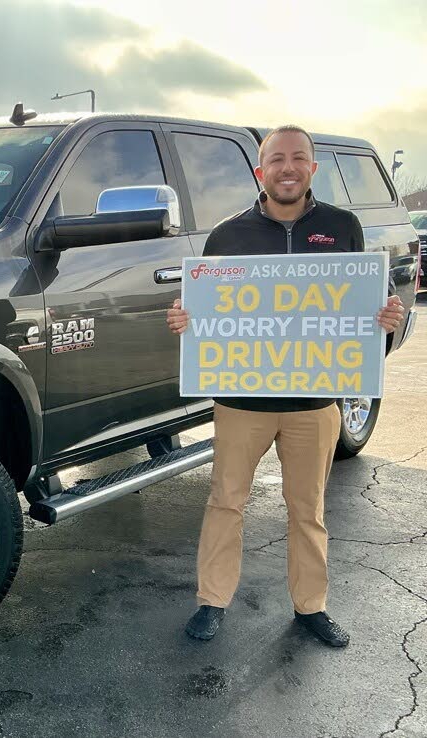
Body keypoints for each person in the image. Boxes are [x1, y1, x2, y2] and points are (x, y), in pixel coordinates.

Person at [165, 124, 406, 647]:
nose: (288, 167)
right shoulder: (226, 236)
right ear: (260, 170)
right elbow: (206, 310)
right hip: (241, 401)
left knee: (309, 508)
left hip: (314, 403)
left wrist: (386, 313)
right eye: (277, 159)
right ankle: (212, 601)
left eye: (298, 158)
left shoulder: (344, 228)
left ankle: (310, 607)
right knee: (225, 502)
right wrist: (188, 320)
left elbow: (369, 298)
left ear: (312, 168)